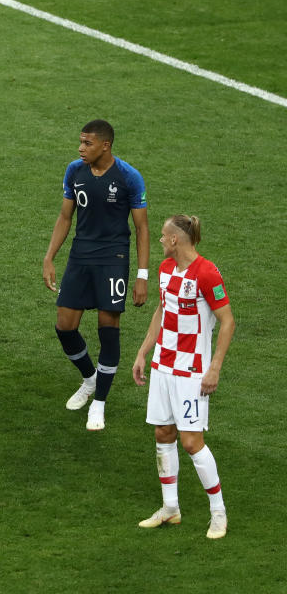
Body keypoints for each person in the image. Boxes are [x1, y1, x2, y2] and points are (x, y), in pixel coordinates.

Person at [42, 119, 149, 430]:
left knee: (108, 327)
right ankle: (90, 379)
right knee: (65, 325)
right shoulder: (74, 171)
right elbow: (65, 216)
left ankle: (99, 403)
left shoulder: (129, 178)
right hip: (80, 256)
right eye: (80, 142)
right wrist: (50, 257)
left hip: (113, 259)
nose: (80, 148)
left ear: (106, 145)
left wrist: (141, 275)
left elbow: (142, 229)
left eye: (87, 143)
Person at [131, 215, 234, 540]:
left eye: (163, 236)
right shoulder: (164, 271)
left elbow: (227, 321)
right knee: (163, 433)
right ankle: (170, 508)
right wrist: (143, 352)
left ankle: (218, 513)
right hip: (163, 365)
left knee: (191, 442)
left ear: (176, 240)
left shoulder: (206, 272)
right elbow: (162, 311)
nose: (160, 240)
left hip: (192, 372)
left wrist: (214, 366)